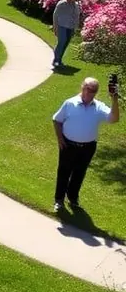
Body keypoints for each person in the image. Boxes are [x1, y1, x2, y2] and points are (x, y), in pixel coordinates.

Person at [52, 76, 120, 213]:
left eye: (94, 91)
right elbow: (56, 120)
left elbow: (114, 119)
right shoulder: (70, 103)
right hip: (68, 145)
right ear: (82, 87)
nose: (90, 93)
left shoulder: (98, 106)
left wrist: (114, 98)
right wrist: (60, 139)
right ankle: (59, 200)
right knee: (64, 172)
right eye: (88, 89)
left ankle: (73, 198)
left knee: (79, 173)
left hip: (88, 147)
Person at [52, 0, 82, 70]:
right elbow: (55, 16)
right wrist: (55, 27)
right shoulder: (62, 3)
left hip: (70, 27)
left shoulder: (75, 5)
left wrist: (75, 27)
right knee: (61, 42)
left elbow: (77, 17)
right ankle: (56, 61)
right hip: (61, 26)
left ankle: (59, 60)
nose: (75, 0)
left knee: (65, 44)